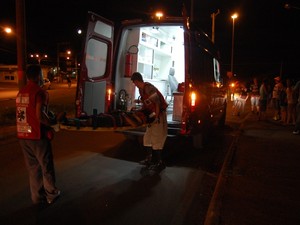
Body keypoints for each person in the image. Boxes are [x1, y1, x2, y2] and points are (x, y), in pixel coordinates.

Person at [16, 64, 60, 205]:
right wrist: (53, 124)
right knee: (46, 166)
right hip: (37, 136)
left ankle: (37, 197)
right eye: (41, 75)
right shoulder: (39, 92)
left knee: (33, 168)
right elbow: (39, 115)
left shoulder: (21, 92)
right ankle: (51, 194)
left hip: (23, 135)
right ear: (38, 76)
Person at [131, 72, 168, 172]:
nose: (134, 84)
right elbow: (147, 103)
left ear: (137, 81)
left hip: (158, 114)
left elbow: (157, 102)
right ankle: (149, 159)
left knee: (157, 139)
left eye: (134, 82)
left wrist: (156, 116)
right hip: (151, 115)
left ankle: (160, 163)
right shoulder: (141, 90)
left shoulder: (148, 88)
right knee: (147, 138)